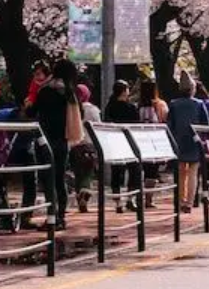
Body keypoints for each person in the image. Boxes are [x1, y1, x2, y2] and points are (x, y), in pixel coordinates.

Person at [26, 58, 79, 229]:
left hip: (45, 140)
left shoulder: (46, 91)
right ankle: (61, 217)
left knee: (48, 180)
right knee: (59, 179)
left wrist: (28, 105)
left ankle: (51, 217)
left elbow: (32, 112)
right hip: (62, 140)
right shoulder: (70, 92)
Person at [168, 73, 209, 213]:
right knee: (193, 171)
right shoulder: (199, 104)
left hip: (178, 140)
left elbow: (170, 124)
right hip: (195, 140)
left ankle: (180, 201)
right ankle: (190, 202)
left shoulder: (173, 104)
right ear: (193, 89)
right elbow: (207, 124)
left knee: (180, 172)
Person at [105, 80, 141, 213]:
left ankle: (118, 202)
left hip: (115, 142)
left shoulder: (109, 107)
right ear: (124, 91)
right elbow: (137, 124)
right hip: (129, 142)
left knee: (116, 172)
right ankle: (130, 199)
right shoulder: (131, 108)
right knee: (134, 170)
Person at [70, 82, 101, 213]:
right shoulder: (93, 109)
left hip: (74, 145)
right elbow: (98, 125)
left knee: (78, 173)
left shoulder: (71, 107)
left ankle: (79, 197)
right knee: (88, 172)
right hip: (89, 145)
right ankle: (85, 192)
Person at [137, 78, 168, 208]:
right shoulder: (160, 104)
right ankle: (149, 199)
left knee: (142, 169)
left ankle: (138, 196)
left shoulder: (137, 105)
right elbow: (165, 119)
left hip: (140, 140)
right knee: (153, 170)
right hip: (156, 140)